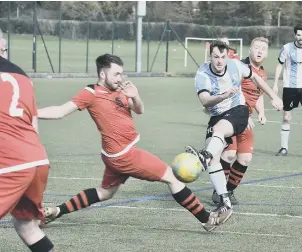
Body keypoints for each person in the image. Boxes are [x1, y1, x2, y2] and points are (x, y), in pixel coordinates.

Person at [37, 54, 231, 232]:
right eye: (116, 74)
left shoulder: (121, 90)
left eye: (122, 73)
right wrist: (31, 112)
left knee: (105, 192)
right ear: (103, 74)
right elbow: (60, 111)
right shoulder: (91, 93)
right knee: (173, 177)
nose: (120, 78)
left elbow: (139, 110)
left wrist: (135, 95)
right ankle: (207, 219)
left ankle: (56, 211)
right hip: (125, 155)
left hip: (115, 155)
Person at [185, 39, 283, 215]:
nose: (220, 61)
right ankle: (224, 200)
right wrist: (223, 96)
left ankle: (204, 157)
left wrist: (273, 97)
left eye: (223, 57)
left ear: (227, 56)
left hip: (238, 110)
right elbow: (205, 100)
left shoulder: (236, 65)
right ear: (210, 57)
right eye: (216, 57)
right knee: (217, 156)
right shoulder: (202, 74)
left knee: (221, 134)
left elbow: (256, 79)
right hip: (217, 114)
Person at [0, 30, 56, 252]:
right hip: (37, 160)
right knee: (27, 226)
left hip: (11, 162)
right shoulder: (22, 76)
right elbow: (34, 123)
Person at [211, 37, 269, 205]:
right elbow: (235, 90)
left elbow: (258, 96)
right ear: (249, 50)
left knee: (245, 159)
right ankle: (219, 191)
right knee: (228, 155)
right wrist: (245, 112)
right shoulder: (239, 68)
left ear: (266, 54)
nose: (259, 51)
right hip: (232, 115)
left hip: (245, 120)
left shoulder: (262, 74)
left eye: (263, 49)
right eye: (256, 47)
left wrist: (261, 113)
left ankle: (228, 191)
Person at [273, 23, 302, 158]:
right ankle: (283, 148)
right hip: (289, 87)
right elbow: (279, 65)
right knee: (287, 117)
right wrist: (276, 84)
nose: (300, 37)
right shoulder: (287, 48)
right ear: (295, 35)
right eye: (298, 35)